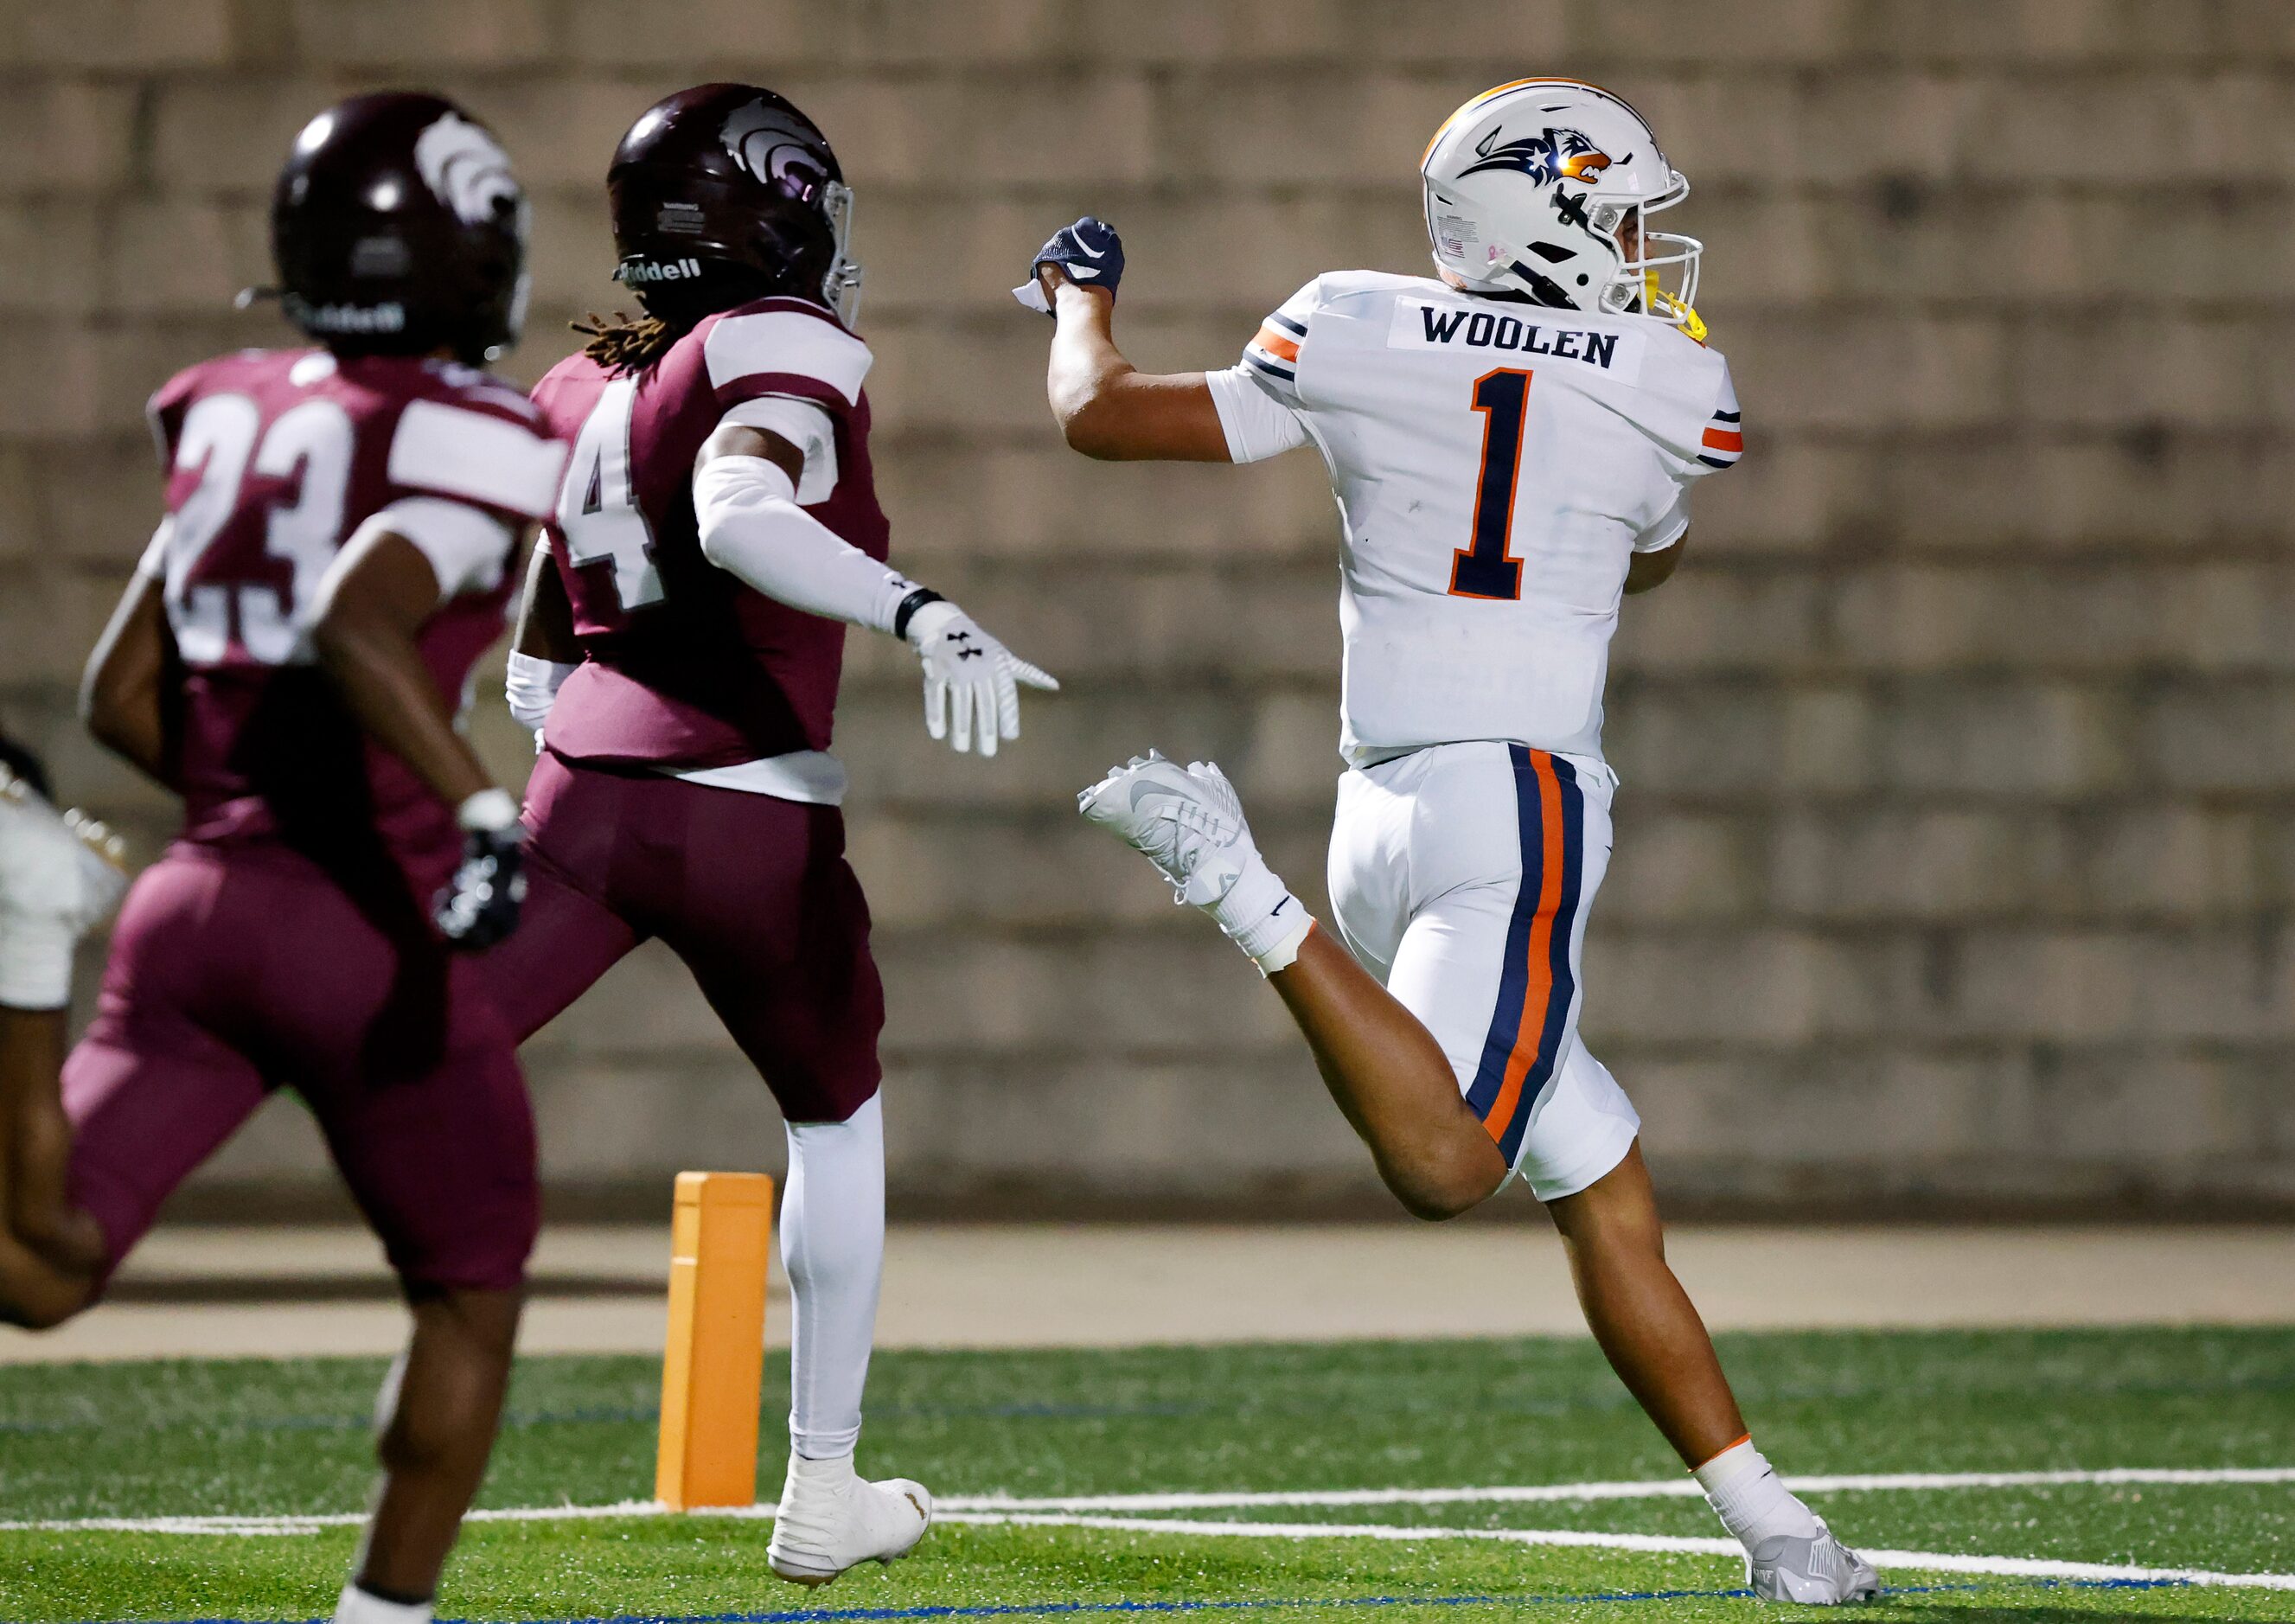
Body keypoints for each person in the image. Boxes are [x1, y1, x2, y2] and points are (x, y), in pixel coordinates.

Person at [1029, 80, 1879, 1607]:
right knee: (1448, 1164)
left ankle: (1779, 1529)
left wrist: (1077, 299)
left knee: (1605, 1185)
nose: (1638, 242)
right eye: (1616, 212)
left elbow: (1098, 416)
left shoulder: (1351, 319)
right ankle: (1224, 869)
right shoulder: (1669, 378)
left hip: (1386, 811)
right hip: (1516, 807)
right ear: (1540, 211)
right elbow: (1649, 551)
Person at [0, 94, 568, 1624]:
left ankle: (24, 958)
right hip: (367, 925)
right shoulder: (479, 427)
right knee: (469, 1291)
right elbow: (354, 618)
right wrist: (479, 812)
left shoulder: (228, 405)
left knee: (39, 1269)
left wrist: (258, 825)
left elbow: (120, 695)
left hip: (191, 906)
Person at [489, 83, 1052, 1586]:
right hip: (749, 807)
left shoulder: (573, 389)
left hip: (581, 802)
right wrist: (918, 608)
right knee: (833, 1113)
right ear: (772, 207)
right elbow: (742, 512)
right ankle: (823, 1487)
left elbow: (533, 670)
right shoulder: (781, 344)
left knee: (404, 1041)